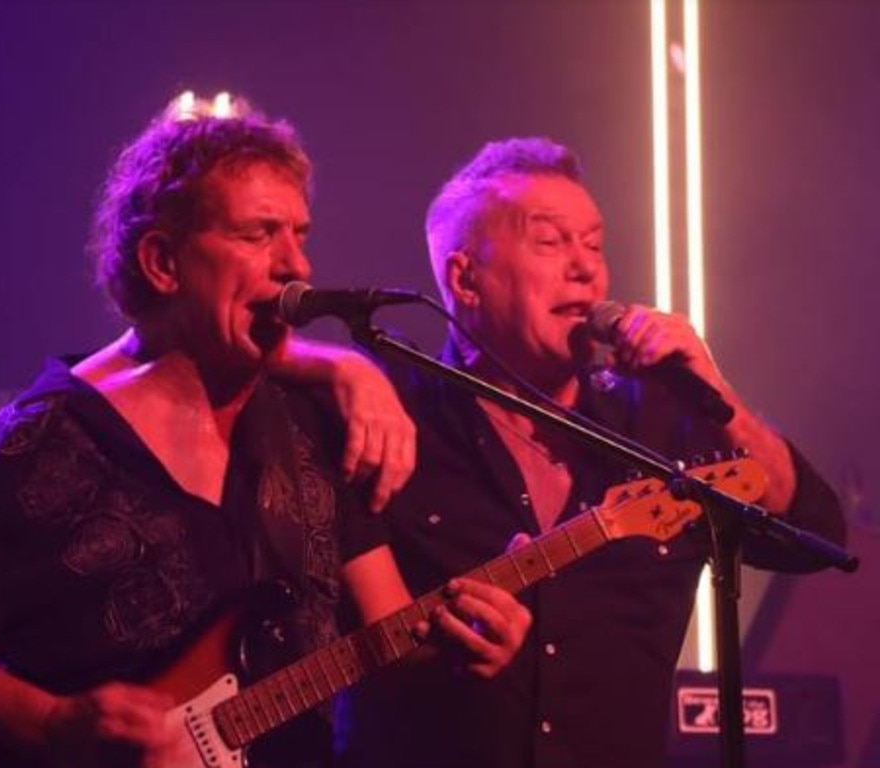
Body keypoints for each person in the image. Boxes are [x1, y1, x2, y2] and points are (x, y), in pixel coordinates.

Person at [0, 94, 530, 768]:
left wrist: (460, 640)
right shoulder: (45, 441)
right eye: (258, 234)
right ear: (162, 263)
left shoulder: (308, 421)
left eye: (300, 234)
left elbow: (388, 628)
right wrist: (52, 722)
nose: (297, 265)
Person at [335, 137, 847, 768]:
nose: (585, 269)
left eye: (594, 244)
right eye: (550, 242)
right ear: (465, 279)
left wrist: (716, 391)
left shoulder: (658, 420)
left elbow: (812, 533)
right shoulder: (389, 415)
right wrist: (333, 365)